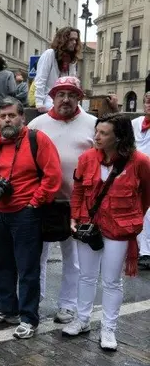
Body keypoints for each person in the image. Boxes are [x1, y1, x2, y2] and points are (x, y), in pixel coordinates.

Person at [0, 97, 62, 339]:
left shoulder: (37, 140)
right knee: (2, 265)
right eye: (3, 116)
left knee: (27, 268)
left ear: (22, 117)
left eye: (12, 115)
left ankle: (28, 318)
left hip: (26, 214)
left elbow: (53, 175)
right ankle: (6, 308)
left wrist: (35, 202)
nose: (7, 120)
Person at [64, 114, 150, 350]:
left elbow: (146, 195)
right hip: (89, 224)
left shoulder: (140, 162)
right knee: (86, 275)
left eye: (104, 133)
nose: (97, 137)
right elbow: (78, 190)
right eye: (97, 131)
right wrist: (74, 217)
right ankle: (82, 319)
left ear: (119, 137)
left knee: (112, 280)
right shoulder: (87, 158)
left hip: (119, 227)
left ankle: (108, 328)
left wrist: (132, 217)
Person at [28, 76, 96, 324]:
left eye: (71, 94)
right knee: (37, 256)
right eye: (60, 94)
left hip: (78, 204)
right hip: (43, 201)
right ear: (52, 97)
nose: (65, 99)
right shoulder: (37, 123)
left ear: (79, 98)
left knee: (73, 258)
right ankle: (34, 301)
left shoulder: (92, 124)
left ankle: (68, 305)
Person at [34, 27, 81, 112]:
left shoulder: (71, 60)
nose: (74, 42)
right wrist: (39, 102)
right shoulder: (49, 54)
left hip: (66, 99)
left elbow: (71, 81)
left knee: (81, 113)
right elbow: (40, 79)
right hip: (49, 99)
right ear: (63, 40)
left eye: (76, 40)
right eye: (71, 39)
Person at [131, 92, 150, 269]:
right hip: (135, 173)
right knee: (138, 211)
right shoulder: (135, 123)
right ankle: (141, 250)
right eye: (147, 102)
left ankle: (146, 252)